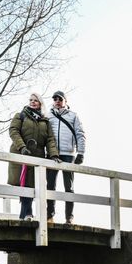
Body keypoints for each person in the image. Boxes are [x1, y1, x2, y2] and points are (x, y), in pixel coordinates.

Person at [8, 92, 59, 220]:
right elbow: (13, 131)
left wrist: (53, 155)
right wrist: (22, 147)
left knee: (32, 185)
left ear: (40, 103)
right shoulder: (20, 115)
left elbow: (50, 139)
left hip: (37, 156)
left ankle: (25, 215)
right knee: (23, 183)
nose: (32, 102)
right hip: (21, 153)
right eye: (30, 100)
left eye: (35, 100)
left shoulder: (45, 121)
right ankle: (27, 214)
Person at [46, 90, 86, 224]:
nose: (57, 101)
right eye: (55, 98)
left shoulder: (73, 116)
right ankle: (49, 215)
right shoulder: (48, 115)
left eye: (60, 99)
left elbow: (80, 134)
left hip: (68, 154)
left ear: (65, 101)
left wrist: (81, 152)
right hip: (52, 154)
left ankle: (69, 217)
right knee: (50, 186)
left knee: (69, 187)